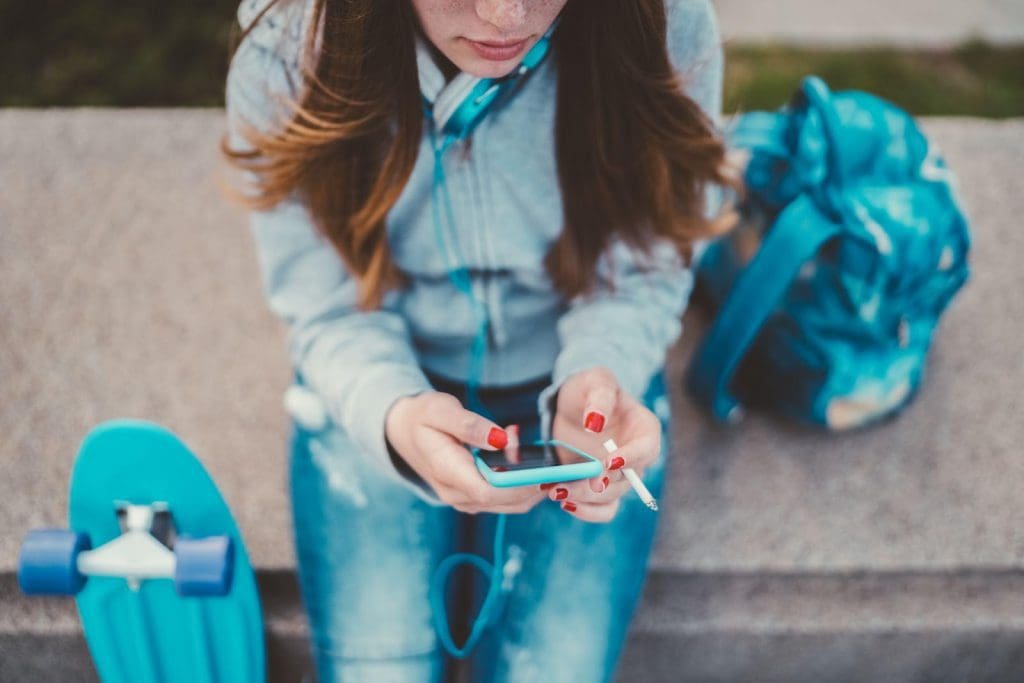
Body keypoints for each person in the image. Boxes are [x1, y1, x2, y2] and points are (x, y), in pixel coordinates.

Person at [221, 0, 740, 680]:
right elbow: (326, 303)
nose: (506, 15)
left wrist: (601, 371)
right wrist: (390, 412)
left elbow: (644, 265)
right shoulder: (290, 43)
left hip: (577, 369)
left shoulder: (664, 21)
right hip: (379, 380)